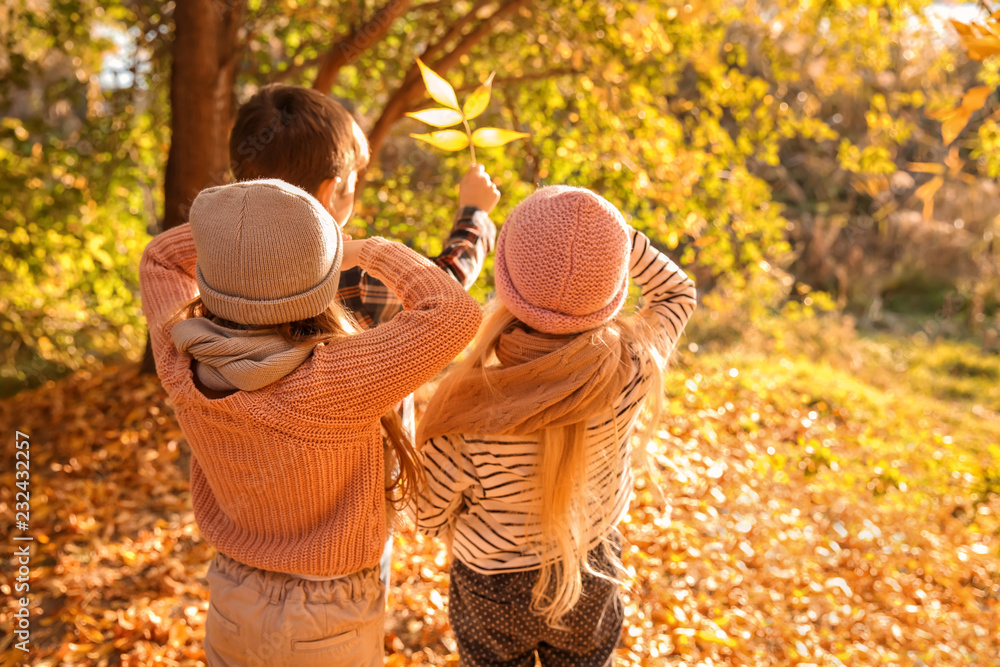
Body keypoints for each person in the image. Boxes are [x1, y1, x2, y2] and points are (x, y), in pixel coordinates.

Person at [140, 178, 483, 666]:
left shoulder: (177, 357)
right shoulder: (334, 382)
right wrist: (364, 249)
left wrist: (236, 236)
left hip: (231, 596)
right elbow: (452, 312)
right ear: (317, 281)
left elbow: (159, 257)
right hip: (328, 618)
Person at [227, 82, 500, 589]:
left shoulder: (223, 276)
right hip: (351, 518)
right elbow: (445, 287)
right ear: (333, 193)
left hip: (253, 512)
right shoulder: (356, 276)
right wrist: (473, 215)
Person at [415, 186, 697, 667]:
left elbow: (426, 514)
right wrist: (605, 238)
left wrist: (564, 236)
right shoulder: (635, 367)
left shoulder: (465, 412)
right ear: (612, 286)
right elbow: (676, 292)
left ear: (507, 282)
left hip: (492, 586)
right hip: (591, 566)